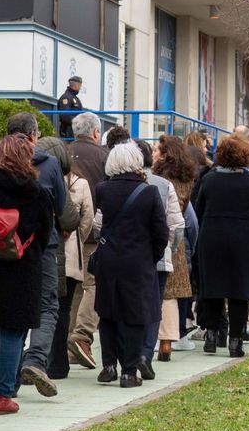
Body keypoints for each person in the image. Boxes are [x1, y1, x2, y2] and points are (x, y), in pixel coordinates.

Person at [0, 131, 52, 415]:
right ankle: (5, 394)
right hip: (23, 266)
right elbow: (45, 233)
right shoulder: (37, 192)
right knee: (14, 331)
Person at [90, 141, 169, 386]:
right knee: (135, 315)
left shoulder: (102, 189)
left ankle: (109, 364)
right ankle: (129, 372)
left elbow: (98, 223)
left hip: (109, 259)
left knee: (108, 312)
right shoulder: (149, 192)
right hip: (139, 260)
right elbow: (161, 232)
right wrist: (152, 256)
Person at [193, 134, 249, 357]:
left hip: (212, 236)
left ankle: (212, 336)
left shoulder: (209, 180)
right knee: (239, 291)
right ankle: (236, 341)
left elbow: (199, 209)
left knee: (213, 287)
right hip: (243, 237)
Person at [11, 111, 68, 397]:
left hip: (7, 244)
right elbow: (61, 204)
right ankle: (35, 360)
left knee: (11, 307)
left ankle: (7, 375)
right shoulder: (51, 164)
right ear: (34, 135)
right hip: (43, 243)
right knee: (47, 304)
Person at [38, 135, 93, 377]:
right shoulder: (79, 183)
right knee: (63, 309)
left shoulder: (33, 176)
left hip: (41, 251)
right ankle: (58, 362)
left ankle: (40, 359)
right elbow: (85, 219)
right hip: (70, 255)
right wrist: (75, 237)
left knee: (43, 307)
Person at [65, 112, 108, 369]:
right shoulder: (105, 157)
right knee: (91, 285)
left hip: (65, 232)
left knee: (71, 288)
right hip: (93, 230)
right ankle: (80, 337)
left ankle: (67, 343)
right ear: (95, 133)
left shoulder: (63, 152)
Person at [151, 134, 198, 354]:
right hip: (176, 238)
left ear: (165, 153)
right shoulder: (187, 177)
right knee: (171, 294)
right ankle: (168, 341)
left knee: (154, 291)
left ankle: (150, 338)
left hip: (155, 235)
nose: (153, 154)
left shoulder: (157, 178)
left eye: (156, 150)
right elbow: (188, 215)